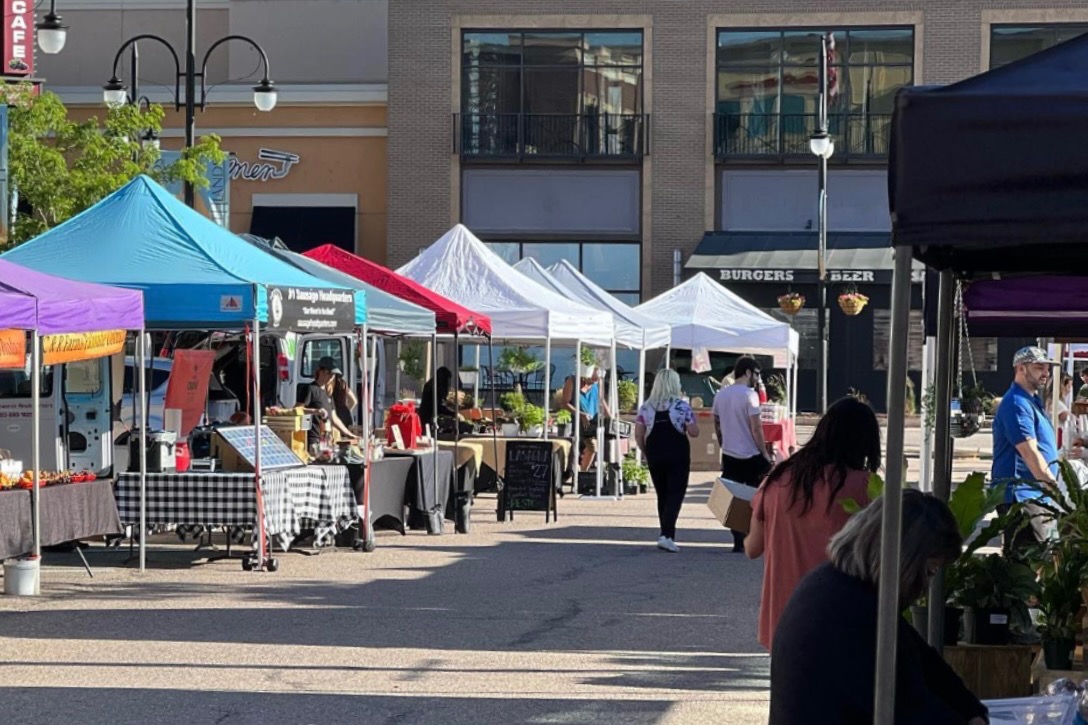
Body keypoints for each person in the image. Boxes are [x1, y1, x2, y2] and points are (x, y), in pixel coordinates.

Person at [770, 490, 988, 725]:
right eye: (929, 571)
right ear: (906, 561)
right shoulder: (852, 612)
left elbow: (926, 664)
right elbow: (909, 706)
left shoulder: (840, 589)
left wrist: (970, 709)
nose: (926, 585)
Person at [746, 396, 881, 649]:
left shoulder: (777, 480)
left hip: (782, 621)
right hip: (839, 619)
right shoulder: (866, 487)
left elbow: (752, 547)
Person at [992, 346, 1067, 551]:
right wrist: (1054, 488)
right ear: (1021, 369)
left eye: (1047, 368)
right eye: (1038, 367)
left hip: (1036, 496)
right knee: (1024, 566)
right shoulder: (1017, 403)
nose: (1045, 373)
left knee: (1046, 556)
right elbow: (1029, 452)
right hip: (1022, 497)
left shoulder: (1030, 401)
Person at [635, 369, 700, 553]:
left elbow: (639, 434)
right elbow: (694, 432)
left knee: (662, 494)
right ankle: (667, 535)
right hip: (677, 454)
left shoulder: (646, 407)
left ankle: (665, 533)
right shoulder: (682, 406)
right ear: (675, 384)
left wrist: (645, 451)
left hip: (655, 453)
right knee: (675, 494)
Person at [713, 355, 773, 553]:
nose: (757, 378)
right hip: (750, 453)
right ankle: (754, 536)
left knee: (733, 497)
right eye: (756, 374)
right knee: (758, 496)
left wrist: (723, 444)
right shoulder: (750, 395)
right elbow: (756, 428)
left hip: (730, 454)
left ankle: (738, 539)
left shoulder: (720, 395)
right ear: (748, 372)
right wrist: (765, 453)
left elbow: (717, 423)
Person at [299, 356, 356, 448]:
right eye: (329, 373)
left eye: (333, 374)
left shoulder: (327, 393)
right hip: (312, 440)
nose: (331, 377)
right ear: (320, 371)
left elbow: (334, 418)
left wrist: (349, 434)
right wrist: (315, 411)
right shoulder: (310, 389)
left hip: (325, 440)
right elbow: (297, 410)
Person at [562, 366, 611, 471]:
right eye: (592, 379)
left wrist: (610, 416)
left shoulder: (597, 382)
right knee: (590, 447)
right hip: (578, 421)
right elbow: (565, 403)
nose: (594, 382)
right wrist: (580, 414)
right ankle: (581, 473)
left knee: (595, 447)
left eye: (597, 380)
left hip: (593, 421)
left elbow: (602, 400)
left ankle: (584, 472)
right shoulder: (572, 381)